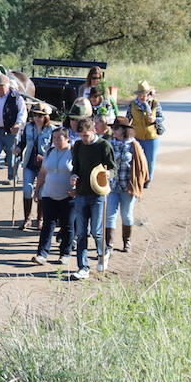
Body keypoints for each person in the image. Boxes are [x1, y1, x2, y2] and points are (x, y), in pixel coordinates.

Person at [70, 118, 116, 280]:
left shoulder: (104, 146)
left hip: (98, 193)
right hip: (81, 193)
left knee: (96, 231)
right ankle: (83, 267)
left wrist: (109, 174)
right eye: (81, 136)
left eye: (87, 136)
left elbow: (112, 167)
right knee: (82, 233)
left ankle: (103, 253)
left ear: (94, 131)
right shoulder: (78, 146)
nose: (84, 139)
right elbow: (76, 166)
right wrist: (74, 175)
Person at [31, 127, 74, 265]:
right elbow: (43, 172)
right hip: (48, 193)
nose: (55, 141)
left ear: (67, 138)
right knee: (48, 225)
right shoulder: (49, 152)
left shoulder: (73, 152)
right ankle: (42, 254)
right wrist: (37, 190)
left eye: (59, 138)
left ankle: (65, 254)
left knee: (67, 225)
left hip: (67, 195)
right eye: (54, 138)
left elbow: (79, 172)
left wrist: (76, 189)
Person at [105, 117, 149, 253]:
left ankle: (126, 241)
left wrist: (140, 184)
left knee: (127, 215)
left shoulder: (133, 145)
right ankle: (109, 245)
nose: (114, 131)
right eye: (113, 128)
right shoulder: (109, 144)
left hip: (128, 188)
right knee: (110, 215)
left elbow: (142, 166)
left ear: (124, 130)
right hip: (112, 187)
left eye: (116, 128)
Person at [15, 102, 53, 230]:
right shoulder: (28, 127)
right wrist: (18, 148)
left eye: (40, 115)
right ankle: (27, 219)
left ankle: (40, 219)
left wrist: (45, 158)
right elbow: (23, 142)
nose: (37, 118)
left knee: (42, 192)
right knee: (27, 189)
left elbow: (54, 149)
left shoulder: (52, 130)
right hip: (29, 163)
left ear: (46, 117)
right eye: (35, 115)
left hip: (44, 165)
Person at [126, 80, 164, 188]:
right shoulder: (132, 105)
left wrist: (154, 119)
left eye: (144, 94)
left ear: (148, 93)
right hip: (136, 136)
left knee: (150, 161)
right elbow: (128, 118)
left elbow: (162, 118)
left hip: (151, 137)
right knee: (136, 159)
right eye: (140, 94)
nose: (142, 96)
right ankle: (137, 179)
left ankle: (147, 181)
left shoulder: (155, 103)